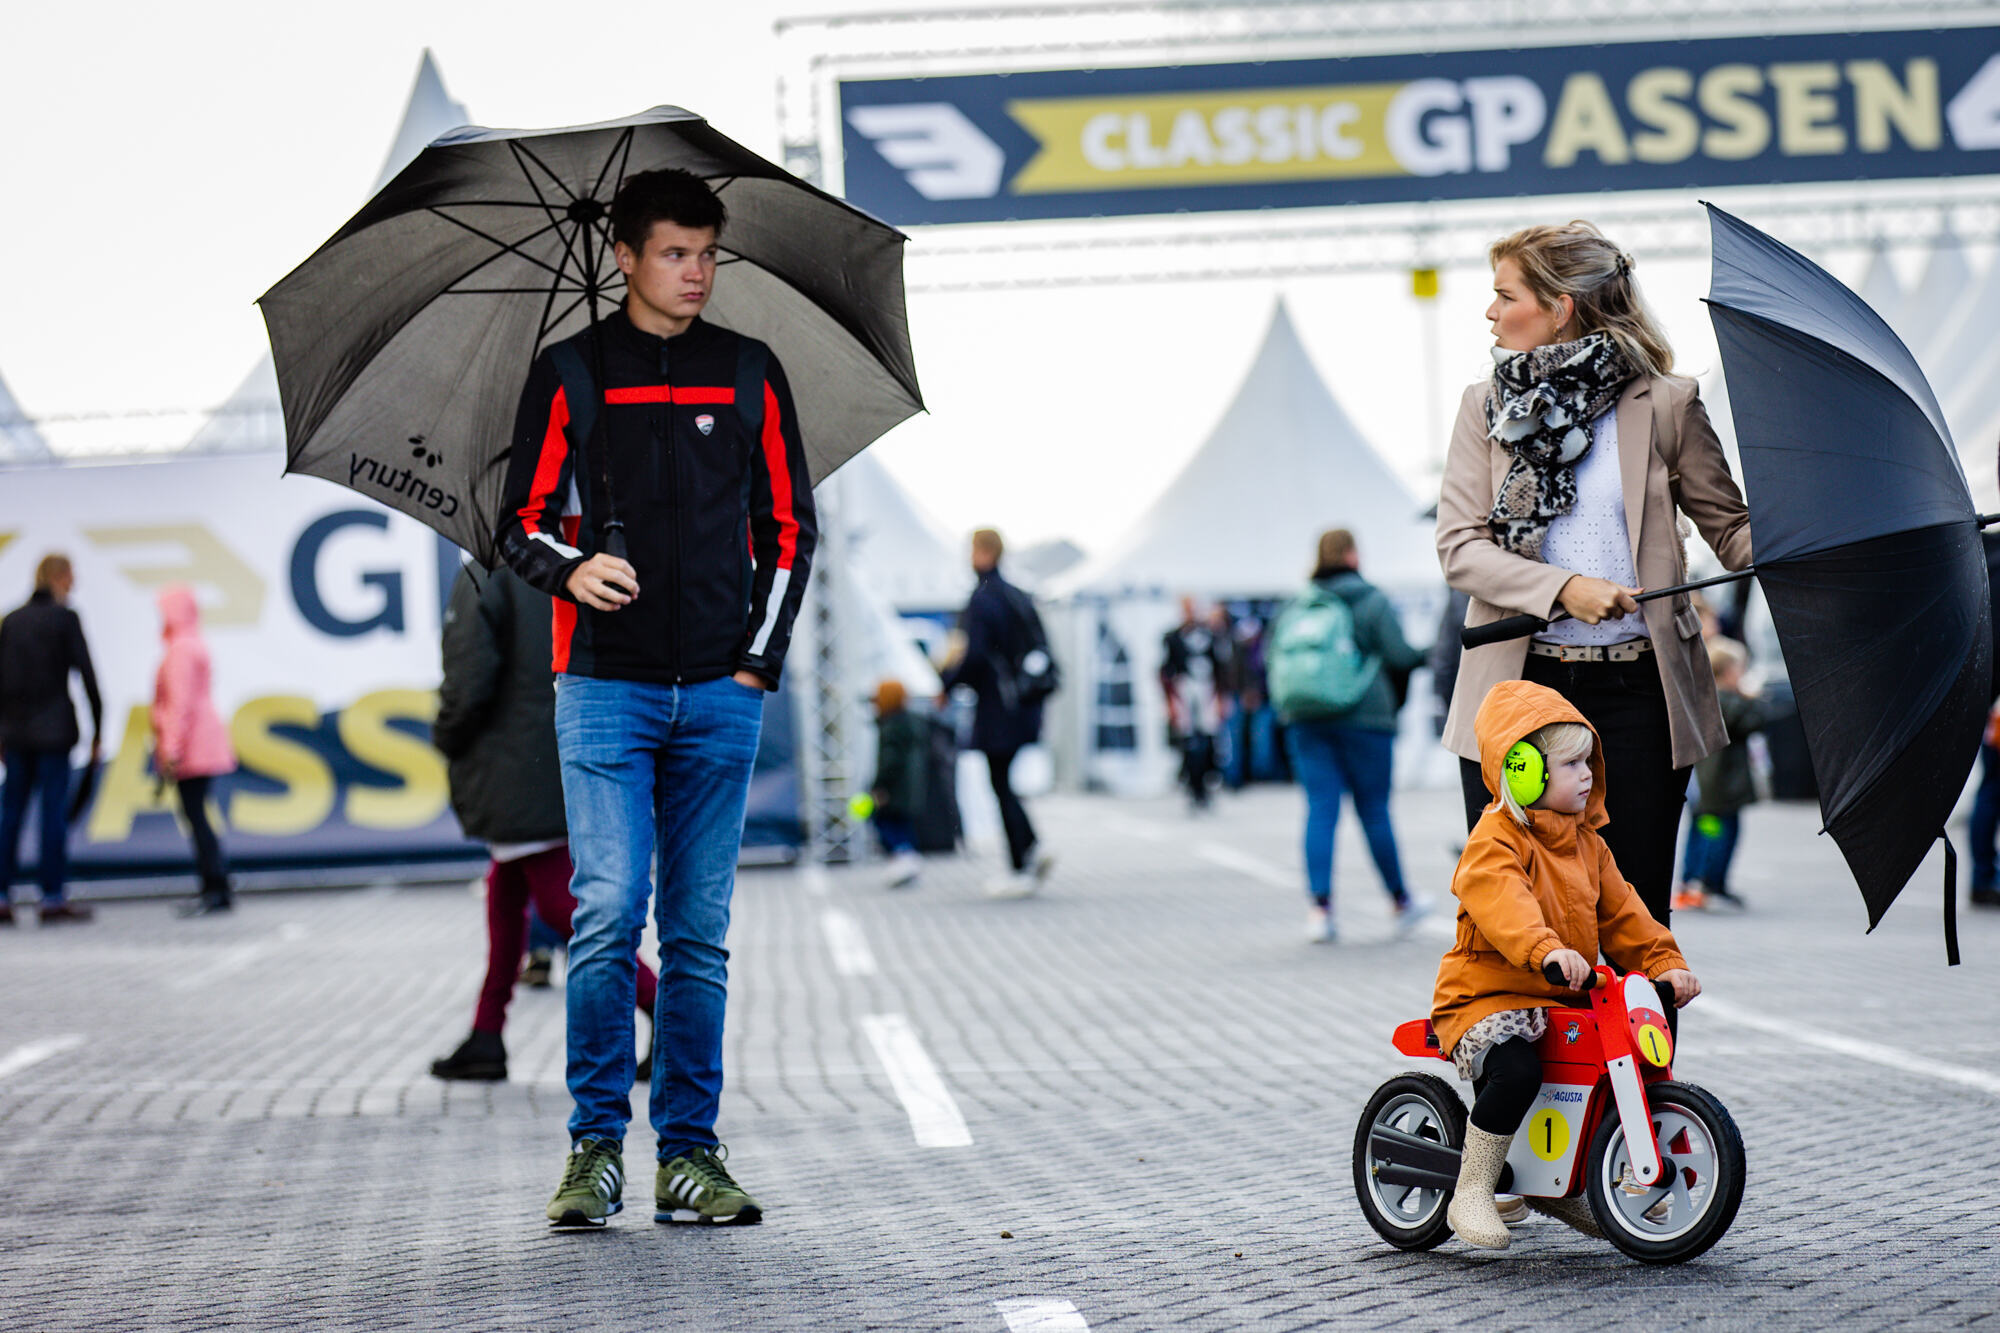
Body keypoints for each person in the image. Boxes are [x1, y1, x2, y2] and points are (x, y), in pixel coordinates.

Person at [496, 168, 816, 1229]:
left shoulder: (748, 370)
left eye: (707, 253)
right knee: (602, 914)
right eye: (676, 252)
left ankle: (689, 1153)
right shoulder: (570, 372)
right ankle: (594, 1150)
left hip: (720, 695)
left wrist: (754, 665)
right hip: (601, 690)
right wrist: (569, 569)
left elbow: (788, 530)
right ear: (625, 256)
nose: (696, 272)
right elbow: (521, 520)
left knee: (697, 933)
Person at [1437, 221, 1752, 928]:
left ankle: (1631, 1043)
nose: (1490, 312)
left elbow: (1732, 535)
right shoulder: (1484, 407)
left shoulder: (1669, 403)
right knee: (1522, 921)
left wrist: (1817, 529)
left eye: (1504, 294)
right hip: (1520, 698)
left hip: (1640, 699)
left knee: (1636, 923)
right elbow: (1460, 547)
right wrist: (1564, 589)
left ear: (1559, 305)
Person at [1434, 679, 1700, 1249]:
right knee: (1518, 1071)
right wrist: (1546, 950)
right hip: (1488, 995)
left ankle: (1558, 1185)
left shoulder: (1588, 844)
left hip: (1557, 996)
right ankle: (1473, 1188)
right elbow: (1505, 906)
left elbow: (1625, 911)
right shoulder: (1495, 841)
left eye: (1589, 761)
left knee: (1592, 1071)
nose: (1588, 775)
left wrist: (1663, 961)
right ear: (1523, 771)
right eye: (1573, 763)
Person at [426, 564, 659, 1082]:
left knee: (563, 907)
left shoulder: (487, 570)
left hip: (516, 757)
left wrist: (446, 734)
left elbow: (469, 675)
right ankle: (486, 1034)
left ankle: (666, 1014)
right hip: (571, 740)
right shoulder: (577, 556)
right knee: (505, 894)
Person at [1268, 529, 1428, 943]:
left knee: (1320, 810)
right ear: (1353, 554)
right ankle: (1399, 902)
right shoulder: (1371, 600)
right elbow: (1399, 655)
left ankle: (1319, 911)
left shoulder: (1298, 604)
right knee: (1374, 810)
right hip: (1365, 719)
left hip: (1305, 717)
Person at [940, 529, 1055, 898]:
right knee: (1005, 781)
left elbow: (972, 656)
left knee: (1000, 782)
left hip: (998, 706)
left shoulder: (984, 598)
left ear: (985, 552)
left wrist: (946, 683)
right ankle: (1031, 847)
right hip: (1024, 704)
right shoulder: (1019, 596)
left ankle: (1022, 862)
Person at [0, 553, 102, 924]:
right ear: (59, 577)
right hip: (55, 734)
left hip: (15, 734)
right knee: (52, 817)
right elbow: (87, 677)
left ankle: (2, 895)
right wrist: (98, 730)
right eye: (71, 576)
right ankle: (52, 898)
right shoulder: (65, 619)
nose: (74, 583)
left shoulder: (12, 621)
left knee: (9, 816)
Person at [150, 587, 237, 918]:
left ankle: (215, 888)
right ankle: (215, 887)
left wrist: (170, 749)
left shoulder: (181, 649)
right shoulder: (192, 642)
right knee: (199, 816)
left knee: (196, 818)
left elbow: (179, 704)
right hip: (201, 742)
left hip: (192, 746)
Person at [1674, 638, 1770, 913]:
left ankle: (1699, 882)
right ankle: (1704, 883)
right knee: (1717, 834)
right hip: (1717, 787)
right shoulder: (1724, 699)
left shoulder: (1705, 696)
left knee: (1709, 831)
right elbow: (1753, 721)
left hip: (1710, 785)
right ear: (1726, 671)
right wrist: (1751, 697)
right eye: (1740, 668)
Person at [1160, 596, 1233, 810]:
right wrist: (1170, 701)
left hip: (1207, 692)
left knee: (1209, 740)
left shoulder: (1209, 635)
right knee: (1189, 742)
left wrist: (1221, 697)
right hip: (1185, 692)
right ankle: (1192, 785)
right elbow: (1165, 671)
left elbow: (1221, 668)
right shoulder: (1172, 637)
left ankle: (1206, 785)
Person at [866, 679, 929, 889]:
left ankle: (903, 859)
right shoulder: (911, 723)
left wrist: (878, 785)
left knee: (884, 821)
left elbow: (889, 760)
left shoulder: (891, 726)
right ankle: (908, 859)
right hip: (908, 787)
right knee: (902, 824)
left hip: (893, 788)